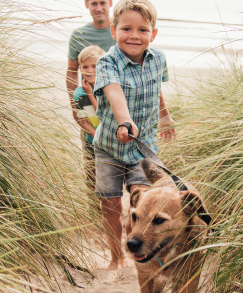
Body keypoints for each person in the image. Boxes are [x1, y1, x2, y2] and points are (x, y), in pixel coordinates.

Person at [92, 0, 176, 270]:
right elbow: (114, 92)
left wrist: (164, 115)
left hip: (144, 146)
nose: (134, 36)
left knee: (144, 196)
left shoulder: (158, 58)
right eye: (127, 28)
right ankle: (116, 257)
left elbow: (156, 89)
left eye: (142, 30)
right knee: (110, 203)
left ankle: (140, 235)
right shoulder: (107, 62)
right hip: (110, 146)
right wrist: (124, 121)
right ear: (114, 31)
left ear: (153, 34)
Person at [67, 0, 116, 195]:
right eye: (93, 3)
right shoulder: (79, 35)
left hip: (114, 113)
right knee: (92, 170)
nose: (98, 8)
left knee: (117, 172)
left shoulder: (119, 31)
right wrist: (75, 105)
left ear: (110, 3)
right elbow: (71, 71)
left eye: (102, 2)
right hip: (87, 109)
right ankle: (96, 216)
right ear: (87, 4)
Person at [73, 46, 106, 193]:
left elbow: (104, 114)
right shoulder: (79, 93)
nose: (90, 70)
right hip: (92, 142)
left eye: (95, 66)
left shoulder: (108, 88)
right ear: (80, 69)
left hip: (111, 141)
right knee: (92, 178)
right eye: (85, 67)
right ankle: (94, 212)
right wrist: (97, 137)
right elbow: (84, 122)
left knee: (109, 180)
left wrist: (90, 94)